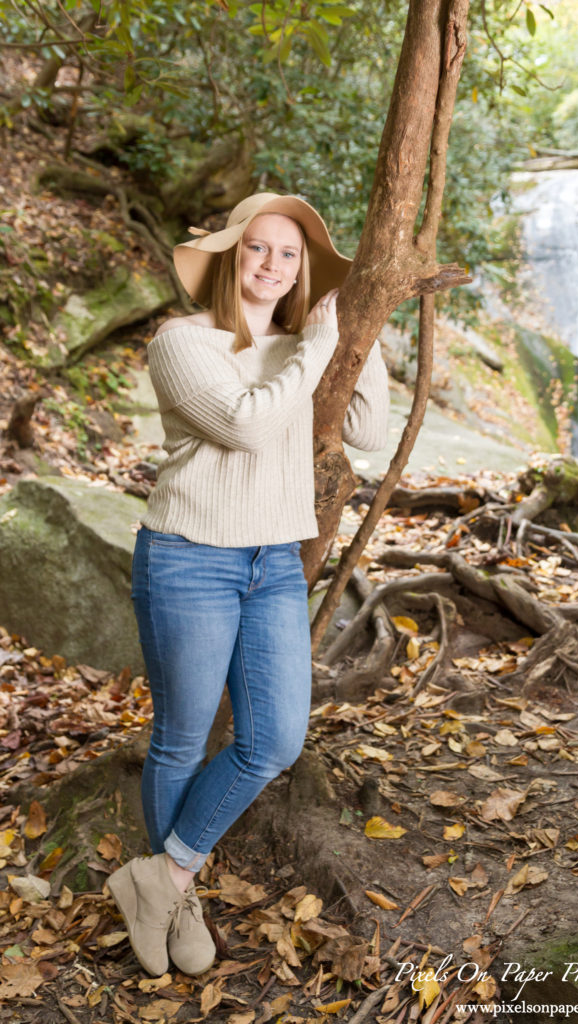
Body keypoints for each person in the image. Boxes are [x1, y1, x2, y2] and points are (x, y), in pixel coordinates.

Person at [106, 192, 389, 976]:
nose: (273, 265)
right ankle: (181, 898)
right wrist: (317, 348)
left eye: (289, 255)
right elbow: (245, 424)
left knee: (273, 740)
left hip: (272, 564)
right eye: (259, 249)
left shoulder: (310, 344)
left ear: (303, 271)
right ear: (232, 256)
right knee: (182, 738)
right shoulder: (182, 342)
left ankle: (159, 879)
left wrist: (360, 337)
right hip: (190, 555)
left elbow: (368, 432)